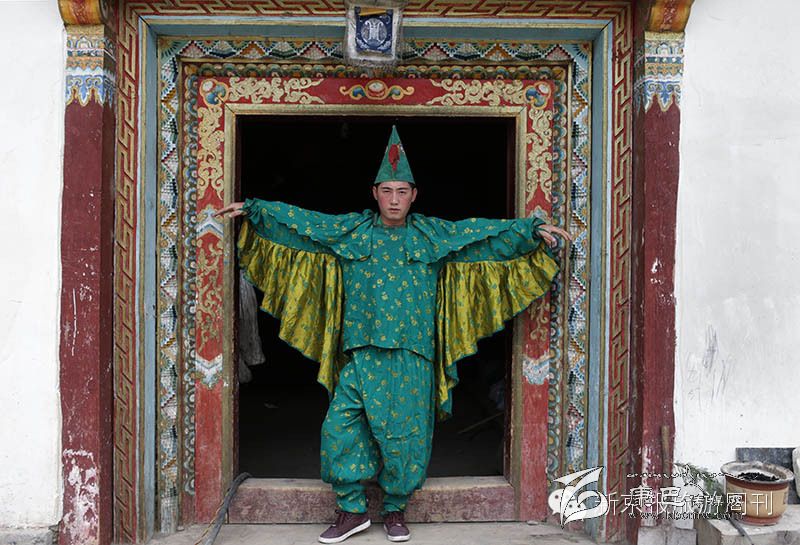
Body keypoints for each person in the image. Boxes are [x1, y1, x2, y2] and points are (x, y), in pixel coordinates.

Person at [215, 126, 570, 543]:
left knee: (405, 437)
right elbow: (306, 225)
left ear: (414, 195)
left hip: (411, 354)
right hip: (361, 353)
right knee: (341, 430)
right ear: (375, 193)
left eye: (402, 191)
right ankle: (352, 511)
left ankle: (396, 510)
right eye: (387, 191)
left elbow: (480, 235)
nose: (395, 199)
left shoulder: (431, 235)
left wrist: (529, 231)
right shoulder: (353, 232)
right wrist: (256, 210)